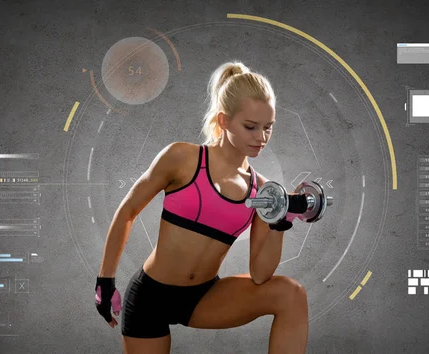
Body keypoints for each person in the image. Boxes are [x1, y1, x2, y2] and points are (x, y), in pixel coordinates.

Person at [95, 61, 309, 354]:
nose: (261, 138)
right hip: (151, 297)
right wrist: (105, 280)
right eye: (250, 127)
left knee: (291, 294)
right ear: (224, 121)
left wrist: (279, 222)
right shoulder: (182, 158)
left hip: (204, 297)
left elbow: (260, 275)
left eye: (268, 128)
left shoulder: (264, 191)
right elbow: (128, 210)